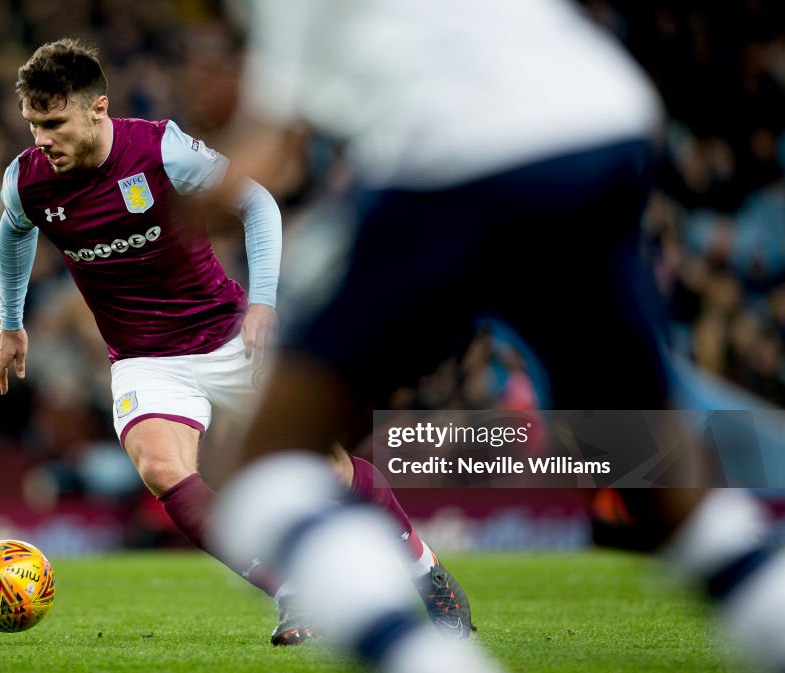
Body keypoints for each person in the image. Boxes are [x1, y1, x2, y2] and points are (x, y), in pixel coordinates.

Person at [207, 1, 785, 672]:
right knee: (642, 465)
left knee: (259, 466)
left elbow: (267, 148)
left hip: (465, 155)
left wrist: (170, 200)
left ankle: (428, 658)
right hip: (605, 125)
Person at [0, 38, 472, 647]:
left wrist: (263, 302)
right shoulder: (26, 181)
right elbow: (13, 233)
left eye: (54, 123)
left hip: (224, 336)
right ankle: (293, 593)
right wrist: (12, 322)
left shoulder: (159, 148)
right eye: (33, 126)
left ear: (98, 109)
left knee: (326, 468)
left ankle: (428, 575)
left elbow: (257, 203)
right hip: (144, 360)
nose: (42, 140)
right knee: (162, 469)